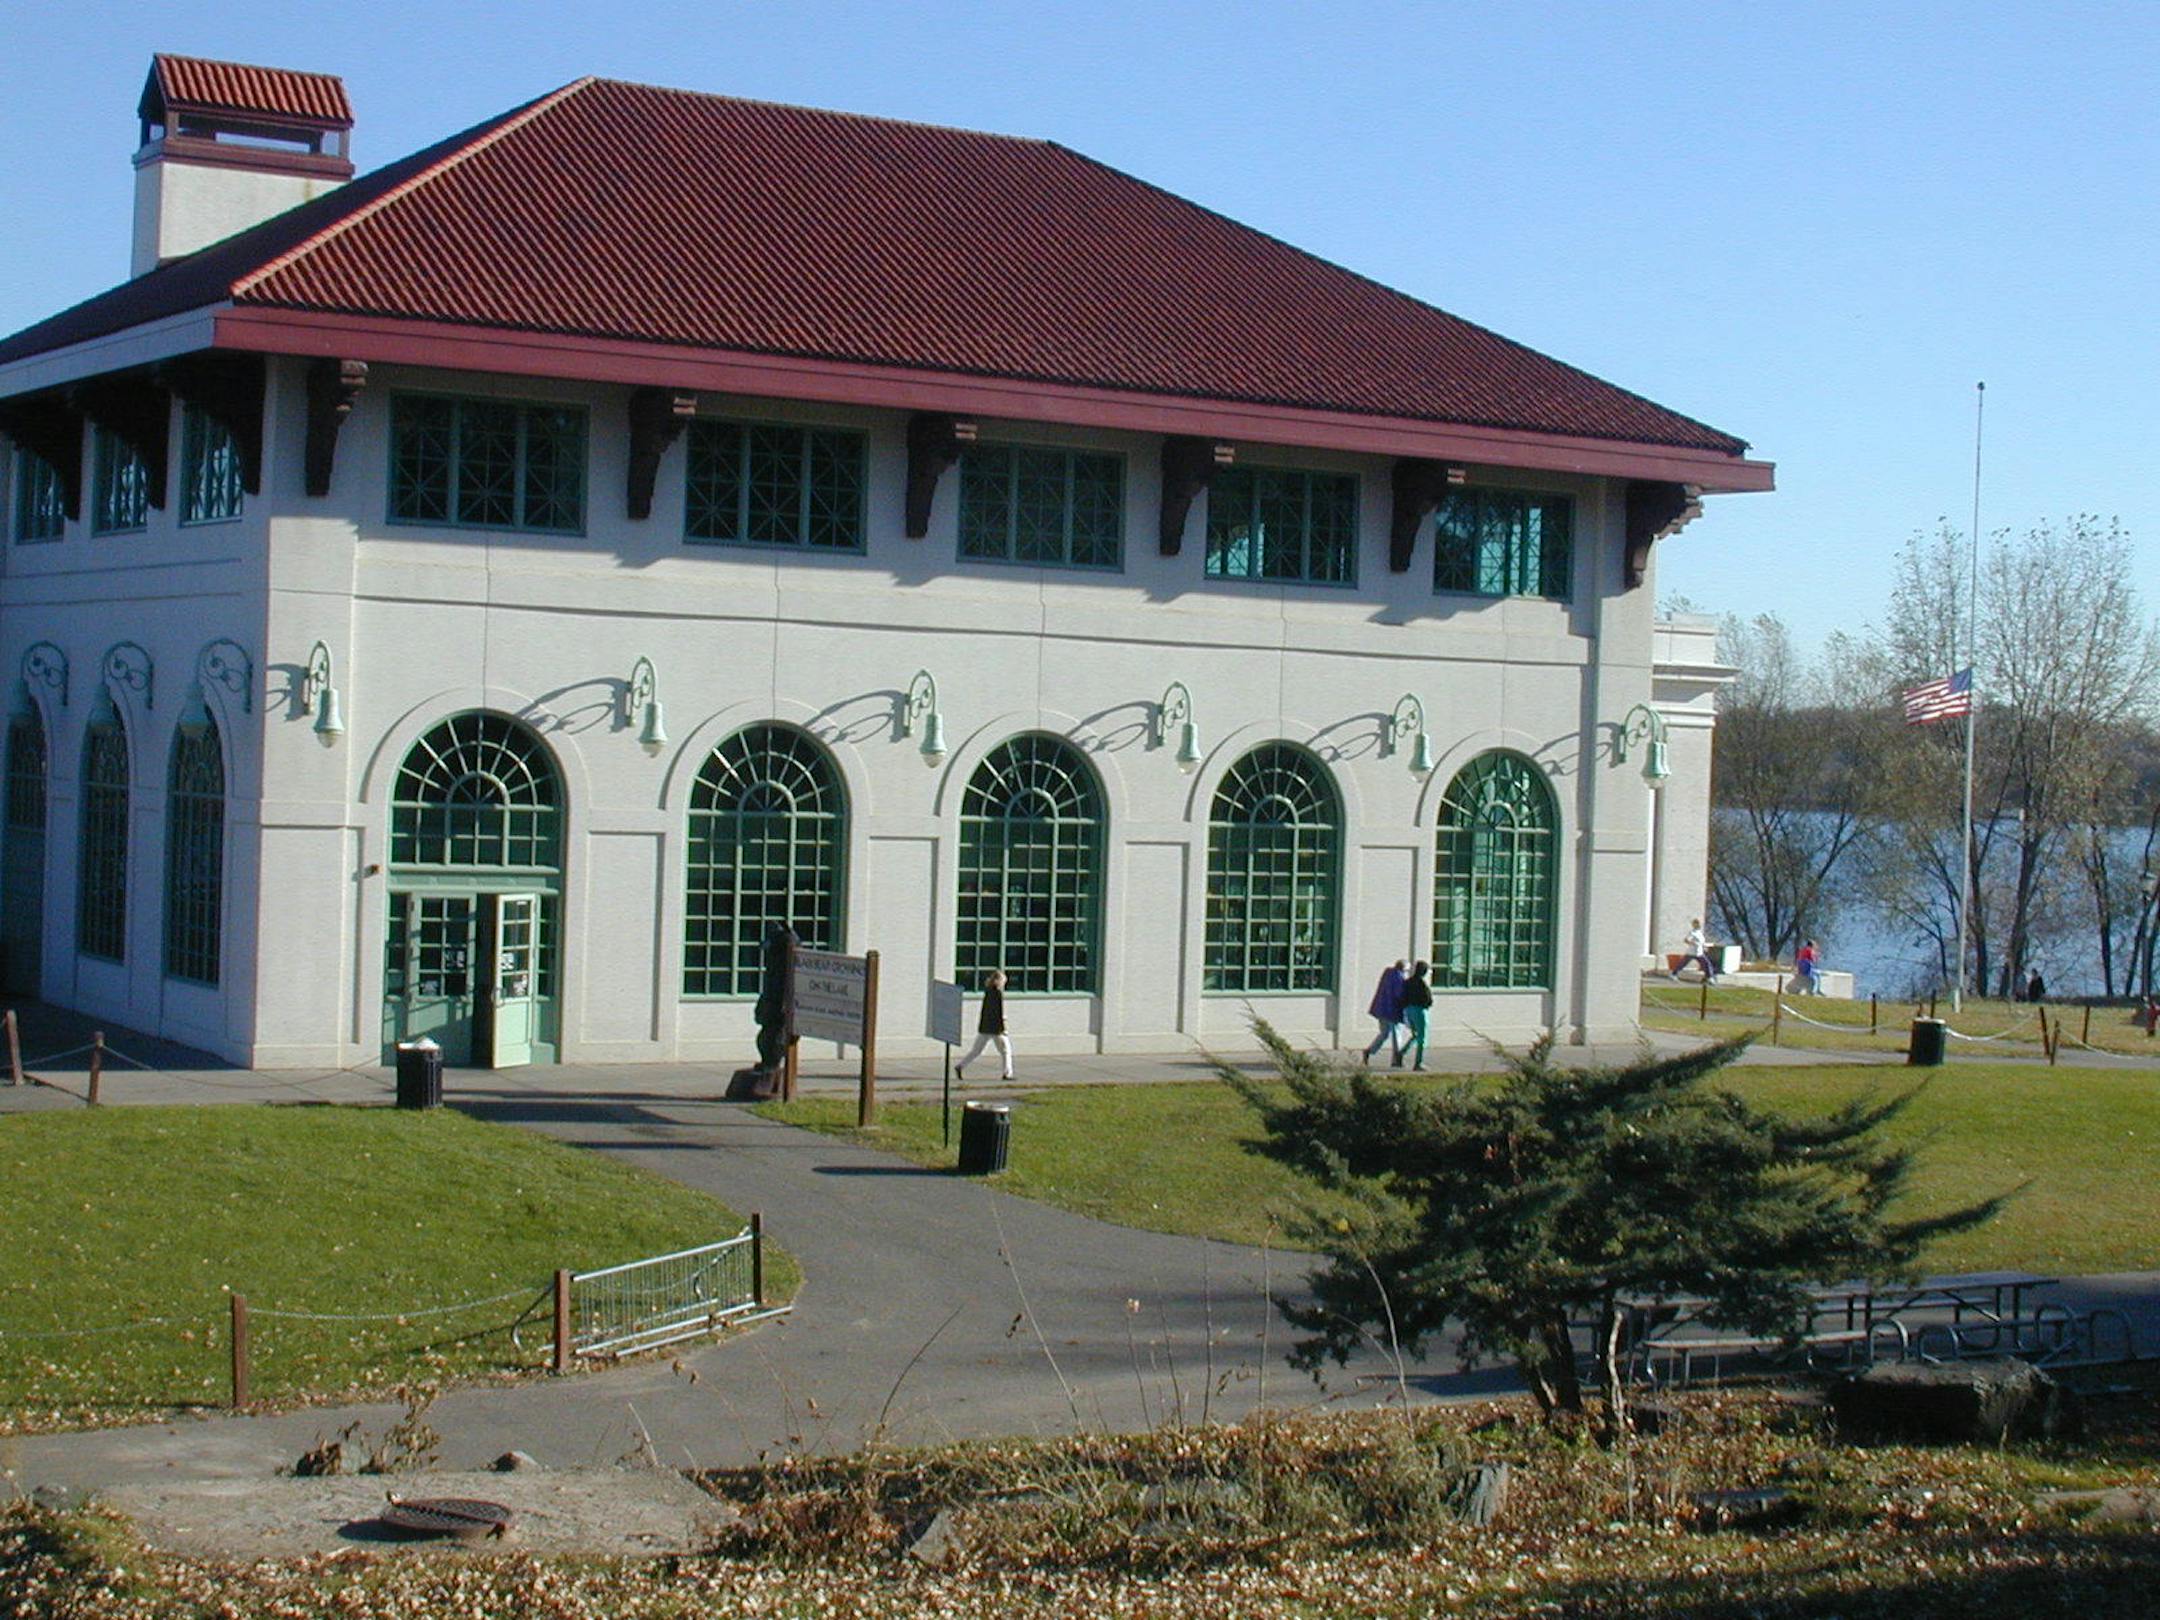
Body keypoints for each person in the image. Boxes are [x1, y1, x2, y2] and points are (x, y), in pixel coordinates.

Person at [955, 969, 1013, 1081]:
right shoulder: (997, 993)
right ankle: (1007, 1073)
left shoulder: (988, 991)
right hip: (996, 1029)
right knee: (1006, 1051)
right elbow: (998, 1013)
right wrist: (1002, 1028)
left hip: (985, 1027)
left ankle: (961, 1066)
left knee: (976, 1051)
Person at [1361, 959, 1408, 1066]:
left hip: (1381, 1009)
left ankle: (1370, 1051)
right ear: (1403, 969)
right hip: (1393, 1011)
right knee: (1397, 1035)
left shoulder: (1387, 975)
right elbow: (1399, 995)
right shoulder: (1399, 978)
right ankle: (1397, 1059)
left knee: (1384, 1034)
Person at [1399, 961, 1434, 1071]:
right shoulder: (1422, 984)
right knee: (1422, 1037)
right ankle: (1418, 1063)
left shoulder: (1408, 982)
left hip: (1409, 1009)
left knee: (1415, 1035)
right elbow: (1428, 999)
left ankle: (1401, 1053)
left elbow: (1403, 996)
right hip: (1420, 1010)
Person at [1672, 919, 1718, 983]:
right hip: (1691, 952)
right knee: (1683, 964)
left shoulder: (1700, 933)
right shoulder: (1692, 932)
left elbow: (1702, 943)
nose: (1698, 925)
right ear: (1693, 925)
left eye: (1698, 923)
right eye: (1696, 923)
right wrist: (1694, 943)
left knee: (1707, 964)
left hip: (1699, 953)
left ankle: (1709, 977)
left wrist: (1708, 945)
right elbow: (1686, 940)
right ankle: (1673, 974)